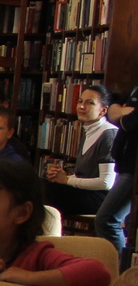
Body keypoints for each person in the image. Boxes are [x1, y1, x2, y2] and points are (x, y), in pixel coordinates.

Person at [43, 83, 117, 231]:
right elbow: (85, 175)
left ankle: (46, 237)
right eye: (80, 101)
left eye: (90, 103)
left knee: (43, 191)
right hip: (85, 194)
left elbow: (106, 183)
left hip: (100, 199)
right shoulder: (89, 131)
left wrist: (67, 180)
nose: (82, 106)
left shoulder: (108, 134)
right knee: (39, 185)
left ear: (103, 110)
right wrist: (62, 177)